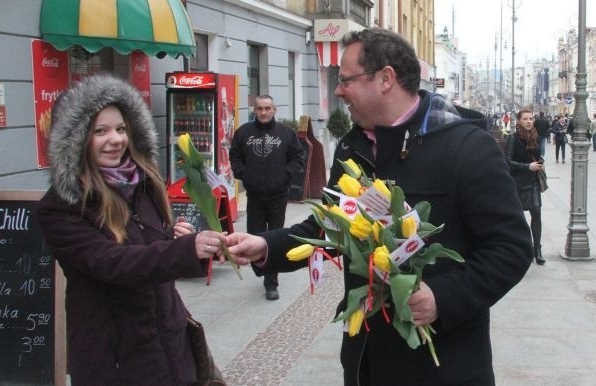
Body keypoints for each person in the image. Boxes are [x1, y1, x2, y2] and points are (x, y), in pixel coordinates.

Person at [226, 28, 533, 385]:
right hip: (367, 359)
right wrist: (266, 245)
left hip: (444, 365)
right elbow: (329, 224)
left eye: (346, 80)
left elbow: (511, 248)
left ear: (385, 78)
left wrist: (441, 298)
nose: (339, 90)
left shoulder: (467, 147)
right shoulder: (352, 148)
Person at [36, 74, 228, 385]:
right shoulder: (61, 209)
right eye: (100, 131)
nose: (116, 139)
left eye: (121, 129)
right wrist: (182, 249)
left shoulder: (143, 184)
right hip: (117, 362)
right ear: (76, 140)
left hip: (171, 349)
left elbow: (148, 248)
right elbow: (114, 263)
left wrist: (175, 237)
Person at [229, 95, 305, 300]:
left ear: (274, 110)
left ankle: (271, 282)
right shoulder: (243, 133)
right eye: (260, 108)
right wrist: (244, 174)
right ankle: (261, 267)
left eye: (267, 108)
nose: (263, 112)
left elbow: (298, 157)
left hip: (278, 195)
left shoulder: (286, 133)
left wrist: (286, 175)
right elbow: (234, 156)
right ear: (254, 110)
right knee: (254, 234)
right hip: (254, 195)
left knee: (274, 237)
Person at [505, 108, 546, 265]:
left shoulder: (535, 137)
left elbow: (539, 154)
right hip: (517, 183)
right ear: (519, 121)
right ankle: (521, 249)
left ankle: (538, 250)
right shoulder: (513, 138)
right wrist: (528, 166)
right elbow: (507, 161)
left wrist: (540, 162)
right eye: (525, 119)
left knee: (536, 215)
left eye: (531, 118)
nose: (529, 121)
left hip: (533, 182)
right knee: (518, 219)